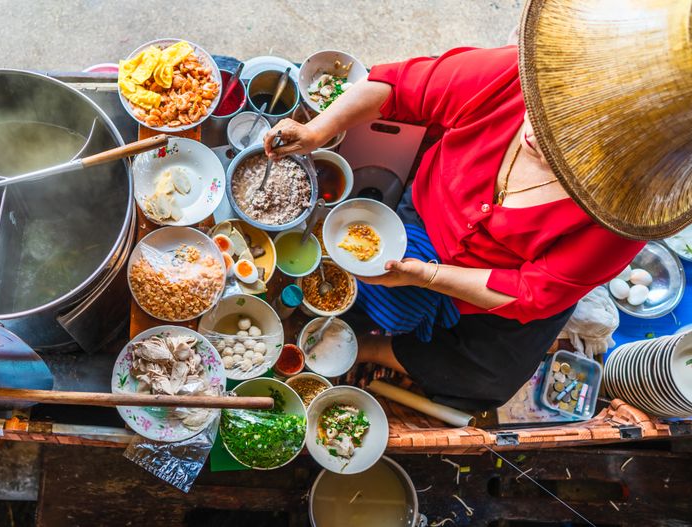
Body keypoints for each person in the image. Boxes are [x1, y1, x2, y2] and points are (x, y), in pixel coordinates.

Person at [262, 45, 646, 410]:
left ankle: (369, 348)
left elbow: (532, 292)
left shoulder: (620, 218)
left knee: (488, 382)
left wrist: (428, 277)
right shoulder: (514, 75)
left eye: (565, 144)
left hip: (498, 281)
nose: (534, 133)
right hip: (428, 216)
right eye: (543, 108)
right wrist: (319, 130)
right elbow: (400, 87)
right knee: (366, 293)